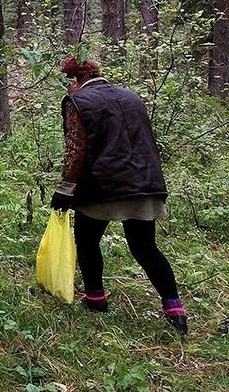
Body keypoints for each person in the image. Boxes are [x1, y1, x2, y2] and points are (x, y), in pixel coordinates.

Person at [50, 56, 187, 336]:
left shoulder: (78, 101)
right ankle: (175, 311)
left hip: (103, 188)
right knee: (145, 248)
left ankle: (96, 300)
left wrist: (65, 189)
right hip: (144, 184)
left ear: (74, 81)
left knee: (87, 241)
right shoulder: (131, 97)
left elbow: (76, 149)